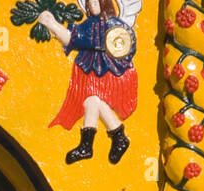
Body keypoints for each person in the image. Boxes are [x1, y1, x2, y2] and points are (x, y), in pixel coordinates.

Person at [37, 0, 138, 165]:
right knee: (91, 102)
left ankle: (96, 143)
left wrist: (53, 24)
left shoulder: (114, 24)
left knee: (93, 101)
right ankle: (111, 139)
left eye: (95, 1)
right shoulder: (89, 24)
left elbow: (128, 43)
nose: (92, 5)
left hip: (110, 72)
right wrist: (52, 24)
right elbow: (73, 38)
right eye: (89, 3)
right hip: (91, 71)